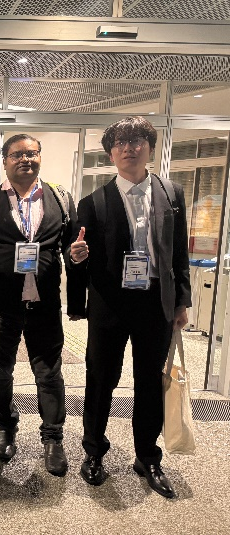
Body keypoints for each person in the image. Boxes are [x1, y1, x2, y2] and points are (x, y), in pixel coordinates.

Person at [70, 116, 191, 498]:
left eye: (137, 141)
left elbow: (179, 253)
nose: (129, 148)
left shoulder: (172, 194)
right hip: (110, 304)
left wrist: (182, 301)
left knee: (150, 382)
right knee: (100, 379)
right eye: (120, 143)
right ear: (111, 153)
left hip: (155, 302)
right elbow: (79, 256)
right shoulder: (93, 202)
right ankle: (93, 452)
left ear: (149, 148)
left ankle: (147, 457)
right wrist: (77, 257)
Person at [0, 134, 82, 476]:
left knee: (49, 371)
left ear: (40, 157)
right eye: (17, 155)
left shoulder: (59, 197)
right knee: (0, 370)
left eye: (32, 153)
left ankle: (52, 438)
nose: (25, 159)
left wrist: (75, 253)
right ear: (5, 160)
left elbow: (71, 243)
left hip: (44, 302)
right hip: (1, 302)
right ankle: (6, 427)